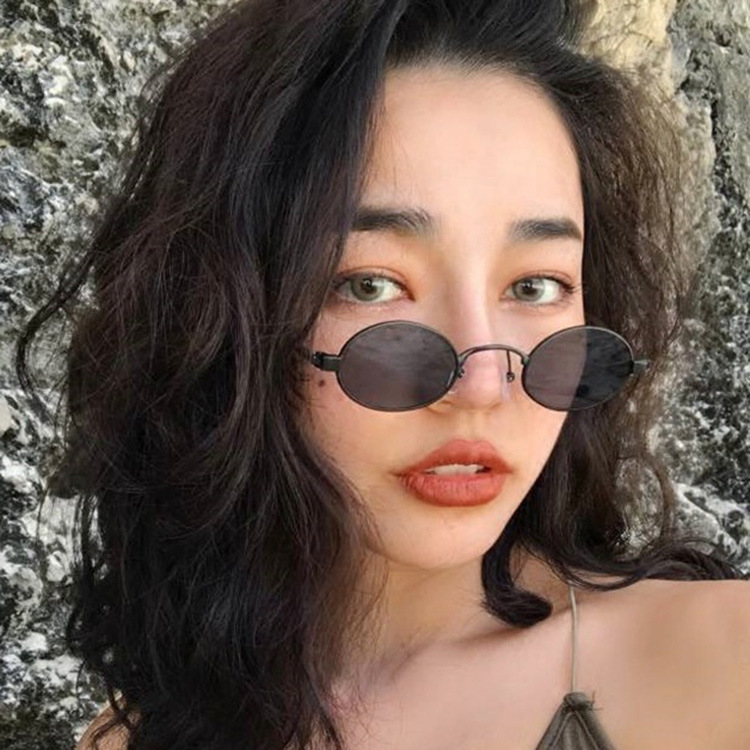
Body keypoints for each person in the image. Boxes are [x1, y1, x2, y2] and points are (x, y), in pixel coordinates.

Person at [15, 0, 750, 748]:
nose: (482, 387)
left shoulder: (726, 667)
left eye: (535, 286)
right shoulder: (142, 736)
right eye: (370, 285)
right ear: (227, 322)